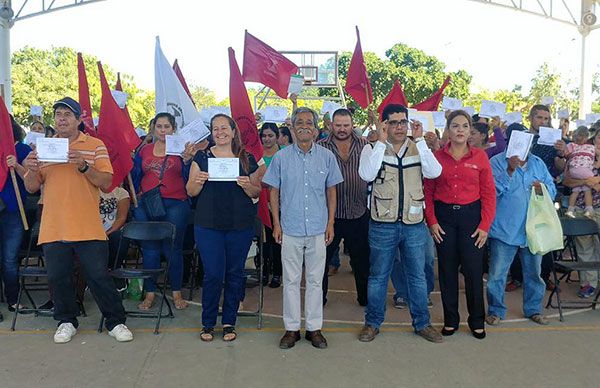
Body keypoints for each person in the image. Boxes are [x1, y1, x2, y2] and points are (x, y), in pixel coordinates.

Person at [22, 97, 132, 343]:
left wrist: (83, 166)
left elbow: (105, 183)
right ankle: (66, 320)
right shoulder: (44, 148)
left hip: (87, 225)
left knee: (98, 276)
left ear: (79, 120)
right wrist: (29, 167)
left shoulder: (95, 145)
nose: (61, 118)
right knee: (58, 277)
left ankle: (116, 322)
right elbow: (31, 187)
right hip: (54, 225)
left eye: (67, 114)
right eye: (58, 114)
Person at [358, 104, 443, 343]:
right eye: (393, 122)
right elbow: (367, 174)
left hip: (414, 223)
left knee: (417, 276)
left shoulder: (419, 148)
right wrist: (380, 142)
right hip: (382, 223)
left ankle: (422, 324)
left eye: (402, 122)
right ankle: (372, 323)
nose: (399, 127)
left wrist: (422, 141)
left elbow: (434, 172)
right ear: (384, 124)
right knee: (378, 277)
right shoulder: (372, 149)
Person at [263, 107, 343, 350]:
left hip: (319, 229)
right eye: (300, 122)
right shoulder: (281, 157)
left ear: (316, 128)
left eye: (309, 122)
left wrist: (330, 224)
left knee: (315, 280)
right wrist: (276, 223)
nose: (305, 126)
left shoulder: (327, 157)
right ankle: (291, 329)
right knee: (291, 280)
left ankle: (314, 328)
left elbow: (332, 192)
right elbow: (273, 191)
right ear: (293, 128)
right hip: (290, 228)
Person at [186, 114, 261, 342]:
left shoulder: (246, 158)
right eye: (215, 128)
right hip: (208, 225)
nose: (220, 132)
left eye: (224, 128)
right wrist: (197, 181)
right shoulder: (202, 157)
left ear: (233, 130)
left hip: (239, 225)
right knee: (213, 274)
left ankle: (229, 322)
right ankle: (208, 322)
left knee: (234, 273)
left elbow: (257, 193)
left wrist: (249, 185)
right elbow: (190, 191)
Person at [424, 109, 496, 339]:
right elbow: (428, 192)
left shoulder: (480, 157)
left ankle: (476, 320)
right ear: (447, 130)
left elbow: (489, 194)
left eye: (465, 126)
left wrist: (485, 225)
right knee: (446, 270)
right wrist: (432, 221)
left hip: (471, 218)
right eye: (455, 126)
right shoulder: (437, 158)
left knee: (474, 272)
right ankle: (450, 320)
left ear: (470, 131)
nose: (460, 130)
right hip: (444, 219)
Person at [486, 124, 555, 326]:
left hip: (533, 229)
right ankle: (496, 310)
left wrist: (541, 189)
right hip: (504, 229)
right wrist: (509, 169)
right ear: (509, 141)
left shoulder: (538, 163)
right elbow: (492, 191)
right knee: (497, 275)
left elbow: (551, 190)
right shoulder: (497, 162)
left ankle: (533, 309)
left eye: (528, 140)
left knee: (534, 273)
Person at [132, 112, 193, 311]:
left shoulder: (181, 150)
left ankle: (176, 293)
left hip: (176, 203)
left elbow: (188, 177)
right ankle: (149, 294)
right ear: (153, 128)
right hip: (147, 203)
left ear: (173, 129)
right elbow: (136, 176)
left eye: (167, 126)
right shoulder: (144, 150)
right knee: (149, 249)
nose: (163, 130)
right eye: (159, 126)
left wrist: (186, 161)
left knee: (172, 248)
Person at [318, 108, 370, 307]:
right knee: (321, 260)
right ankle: (319, 299)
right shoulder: (320, 147)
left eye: (345, 125)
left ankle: (364, 298)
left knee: (362, 261)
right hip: (329, 215)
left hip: (358, 212)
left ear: (352, 125)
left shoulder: (366, 146)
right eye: (338, 125)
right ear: (331, 125)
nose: (341, 129)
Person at [1, 116, 33, 319]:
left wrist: (18, 166)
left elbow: (33, 179)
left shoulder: (22, 150)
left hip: (13, 211)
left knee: (10, 259)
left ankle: (12, 299)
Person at [563, 129, 600, 298]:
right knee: (585, 248)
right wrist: (586, 180)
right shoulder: (580, 154)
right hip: (579, 208)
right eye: (599, 137)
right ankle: (588, 284)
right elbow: (568, 180)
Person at [259, 123, 282, 288]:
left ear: (277, 136)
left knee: (278, 241)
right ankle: (264, 271)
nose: (267, 139)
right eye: (264, 136)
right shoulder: (255, 154)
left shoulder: (284, 154)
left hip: (280, 204)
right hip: (260, 204)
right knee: (264, 241)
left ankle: (278, 273)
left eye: (270, 135)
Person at [99, 185, 130, 287]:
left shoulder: (121, 192)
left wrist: (107, 233)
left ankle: (115, 269)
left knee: (118, 237)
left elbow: (121, 218)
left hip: (113, 230)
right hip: (93, 230)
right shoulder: (90, 190)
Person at [564, 126, 595, 218]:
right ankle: (589, 209)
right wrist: (586, 182)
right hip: (585, 172)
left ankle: (570, 209)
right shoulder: (591, 148)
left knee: (575, 191)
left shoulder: (572, 146)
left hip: (574, 171)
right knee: (587, 189)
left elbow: (566, 153)